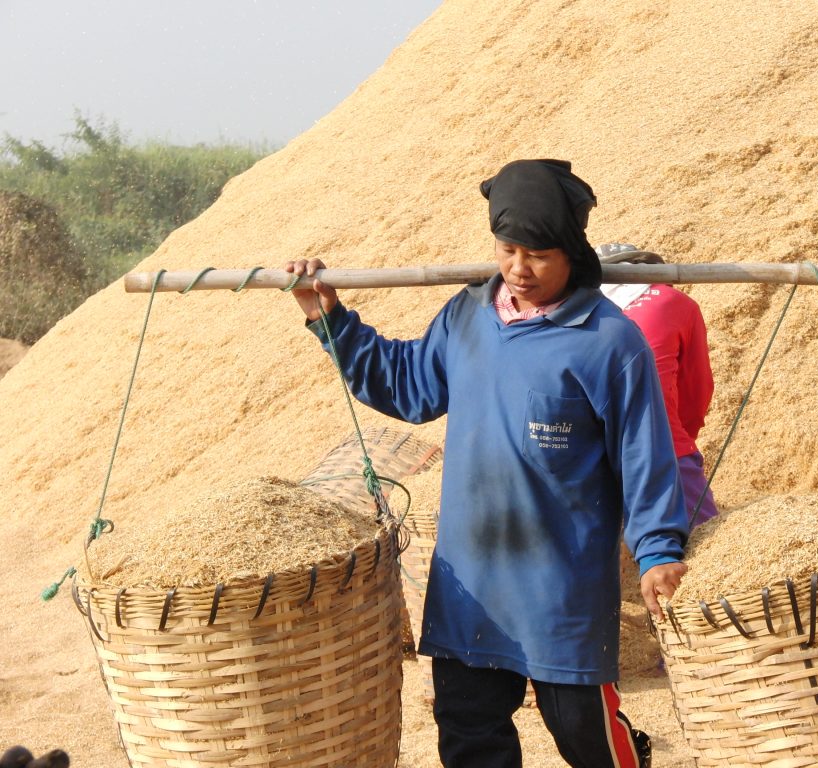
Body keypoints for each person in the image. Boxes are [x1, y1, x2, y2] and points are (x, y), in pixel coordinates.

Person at [285, 159, 689, 768]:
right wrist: (328, 320)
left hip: (562, 584)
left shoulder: (609, 342)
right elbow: (409, 385)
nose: (519, 268)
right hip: (471, 578)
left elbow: (644, 457)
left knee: (583, 731)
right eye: (507, 250)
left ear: (572, 254)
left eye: (539, 255)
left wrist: (658, 552)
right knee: (469, 732)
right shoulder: (467, 315)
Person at [598, 244, 719, 528]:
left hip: (584, 452)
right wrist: (682, 439)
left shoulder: (573, 308)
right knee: (707, 539)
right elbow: (696, 390)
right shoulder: (675, 301)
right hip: (662, 446)